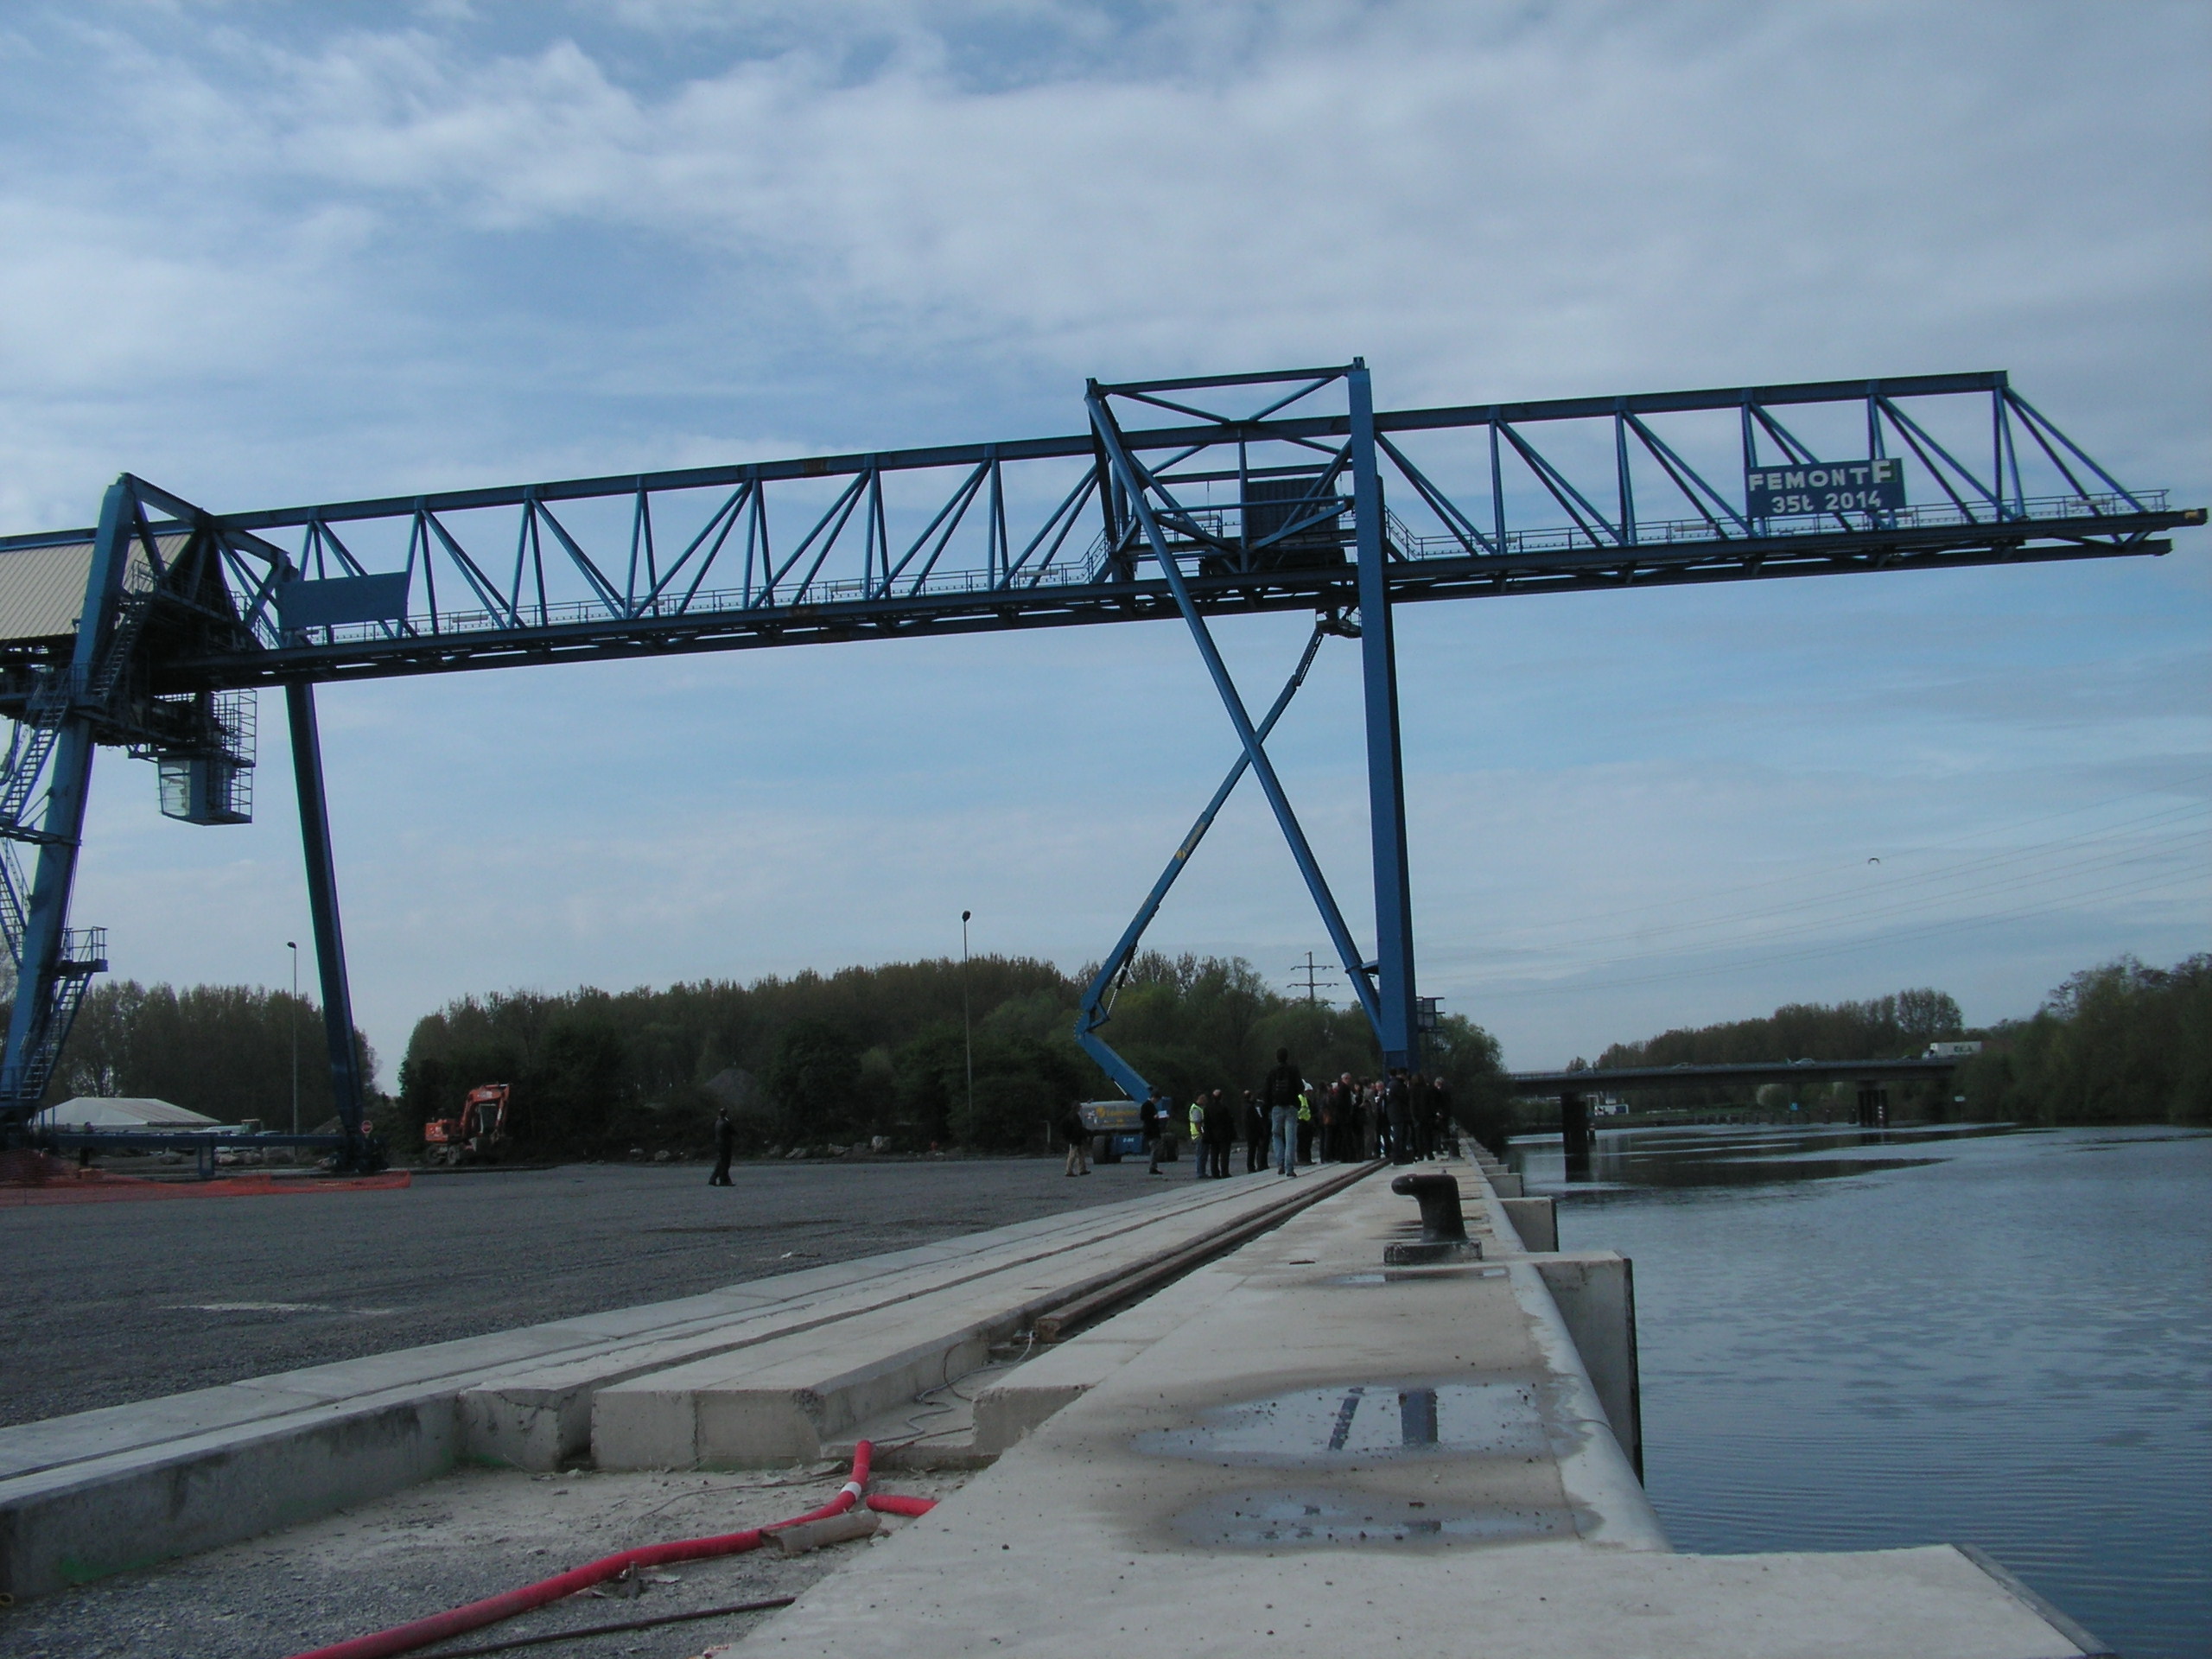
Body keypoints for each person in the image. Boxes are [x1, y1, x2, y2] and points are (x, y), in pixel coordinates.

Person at [1262, 1046, 1303, 1177]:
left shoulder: (1272, 1072)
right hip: (1291, 1106)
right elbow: (1300, 1087)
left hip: (1276, 1107)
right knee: (1290, 1137)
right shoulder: (1293, 1070)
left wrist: (1268, 1106)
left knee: (1276, 1135)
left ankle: (1280, 1163)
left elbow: (1266, 1090)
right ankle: (1289, 1167)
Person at [1203, 1089, 1236, 1179]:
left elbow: (1206, 1122)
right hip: (1224, 1134)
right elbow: (1229, 1121)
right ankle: (1225, 1172)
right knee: (1224, 1155)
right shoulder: (1224, 1108)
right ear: (1221, 1097)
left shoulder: (1207, 1108)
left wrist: (1207, 1134)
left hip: (1213, 1135)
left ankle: (1215, 1172)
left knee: (1214, 1154)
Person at [1385, 1068, 1414, 1165]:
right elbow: (1405, 1097)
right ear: (1402, 1075)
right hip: (1400, 1114)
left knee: (1399, 1136)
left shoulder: (1391, 1084)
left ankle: (1399, 1156)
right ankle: (1399, 1157)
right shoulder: (1399, 1085)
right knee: (1400, 1137)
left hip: (1394, 1114)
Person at [1059, 1102, 1092, 1177]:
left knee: (1081, 1154)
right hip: (1075, 1139)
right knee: (1072, 1155)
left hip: (1075, 1138)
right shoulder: (1075, 1117)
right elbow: (1078, 1129)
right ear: (1077, 1108)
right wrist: (1086, 1134)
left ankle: (1082, 1169)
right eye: (1079, 1107)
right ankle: (1069, 1171)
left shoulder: (1070, 1116)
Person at [1144, 1090, 1170, 1175]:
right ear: (1154, 1098)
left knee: (1155, 1149)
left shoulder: (1151, 1105)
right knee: (1154, 1150)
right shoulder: (1146, 1105)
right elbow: (1143, 1117)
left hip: (1154, 1130)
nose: (1157, 1102)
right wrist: (1154, 1117)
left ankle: (1154, 1166)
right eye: (1157, 1100)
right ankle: (1152, 1167)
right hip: (1151, 1131)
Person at [708, 1107, 735, 1186]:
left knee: (721, 1162)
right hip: (725, 1145)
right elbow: (733, 1131)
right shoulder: (726, 1123)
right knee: (725, 1163)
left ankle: (714, 1179)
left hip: (719, 1144)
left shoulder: (717, 1122)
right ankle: (723, 1180)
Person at [1243, 1090, 1268, 1174]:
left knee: (1251, 1150)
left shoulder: (1244, 1107)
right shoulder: (1251, 1107)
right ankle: (1259, 1165)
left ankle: (1251, 1166)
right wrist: (1261, 1131)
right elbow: (1256, 1120)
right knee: (1257, 1149)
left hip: (1248, 1131)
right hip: (1254, 1132)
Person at [1189, 1095, 1209, 1179]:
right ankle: (1200, 1173)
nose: (1205, 1100)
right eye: (1203, 1098)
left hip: (1198, 1134)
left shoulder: (1199, 1108)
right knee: (1201, 1155)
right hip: (1198, 1135)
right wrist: (1202, 1133)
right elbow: (1197, 1123)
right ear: (1198, 1099)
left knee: (1202, 1154)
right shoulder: (1196, 1109)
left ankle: (1202, 1172)